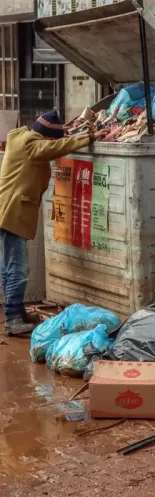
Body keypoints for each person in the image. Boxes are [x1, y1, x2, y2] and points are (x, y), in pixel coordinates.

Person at [0, 111, 104, 336]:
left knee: (9, 266)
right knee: (18, 268)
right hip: (12, 211)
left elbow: (48, 144)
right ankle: (12, 319)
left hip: (7, 210)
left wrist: (66, 133)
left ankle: (16, 310)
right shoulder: (31, 143)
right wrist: (86, 137)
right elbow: (49, 149)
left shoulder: (19, 135)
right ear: (46, 137)